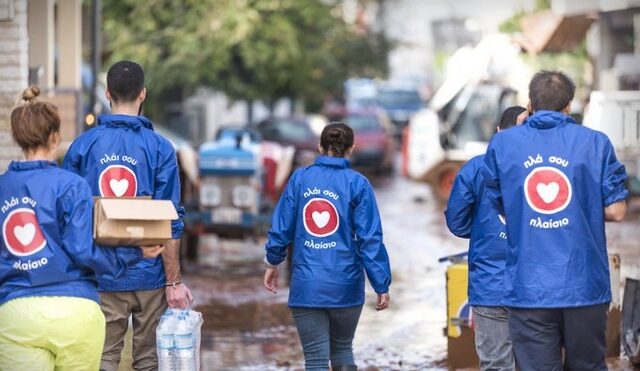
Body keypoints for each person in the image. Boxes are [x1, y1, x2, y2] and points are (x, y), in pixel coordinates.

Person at [0, 87, 163, 370]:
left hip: (16, 314)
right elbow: (83, 250)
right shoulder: (70, 186)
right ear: (55, 137)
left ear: (17, 138)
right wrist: (136, 253)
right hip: (75, 311)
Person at [483, 70, 628, 370]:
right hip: (584, 285)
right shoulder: (596, 142)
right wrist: (579, 206)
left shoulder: (503, 144)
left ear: (530, 104)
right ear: (569, 105)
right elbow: (617, 211)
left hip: (528, 287)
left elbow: (501, 203)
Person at [63, 61, 193, 371]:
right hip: (149, 273)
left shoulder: (82, 146)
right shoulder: (161, 149)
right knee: (147, 360)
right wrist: (173, 281)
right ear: (143, 94)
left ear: (107, 93)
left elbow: (69, 217)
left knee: (104, 356)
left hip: (99, 273)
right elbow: (170, 220)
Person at [263, 122, 392, 371]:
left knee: (315, 359)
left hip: (307, 284)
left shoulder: (300, 178)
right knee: (343, 349)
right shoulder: (359, 184)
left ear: (320, 147)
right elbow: (370, 239)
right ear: (352, 148)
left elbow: (281, 228)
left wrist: (272, 261)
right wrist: (381, 282)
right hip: (346, 284)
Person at [444, 106, 528, 371]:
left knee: (495, 363)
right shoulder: (540, 169)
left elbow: (456, 221)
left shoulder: (475, 168)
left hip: (489, 285)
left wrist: (483, 230)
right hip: (533, 287)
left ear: (498, 132)